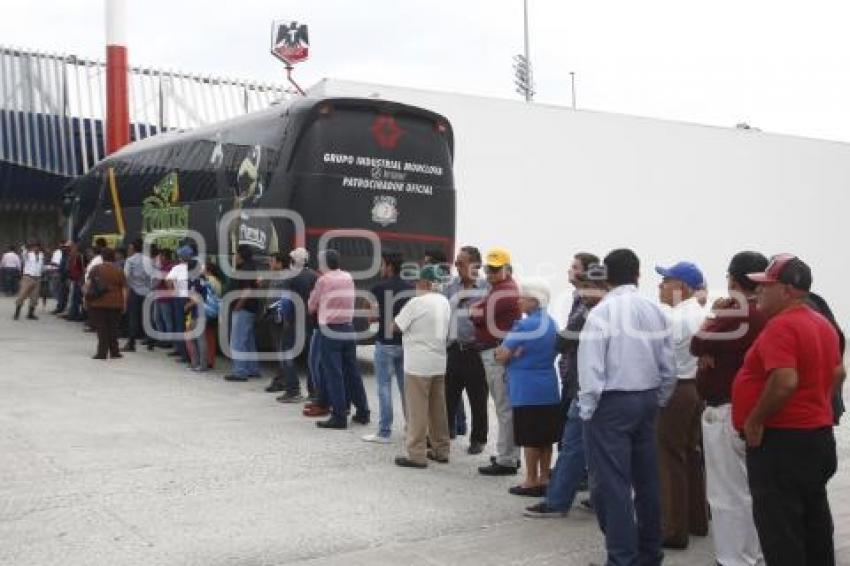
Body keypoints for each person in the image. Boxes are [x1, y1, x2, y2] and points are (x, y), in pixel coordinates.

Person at [732, 254, 842, 566]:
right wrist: (818, 402)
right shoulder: (822, 323)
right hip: (816, 437)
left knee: (781, 532)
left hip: (782, 442)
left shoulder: (782, 326)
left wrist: (755, 421)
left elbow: (784, 380)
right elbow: (838, 374)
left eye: (766, 286)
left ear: (787, 291)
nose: (758, 292)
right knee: (814, 522)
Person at [578, 248, 676, 566]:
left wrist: (588, 409)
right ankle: (650, 553)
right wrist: (658, 398)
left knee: (613, 485)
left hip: (611, 403)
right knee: (648, 481)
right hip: (647, 399)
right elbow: (668, 365)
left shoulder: (602, 313)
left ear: (605, 276)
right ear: (638, 274)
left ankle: (622, 558)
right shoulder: (656, 310)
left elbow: (591, 369)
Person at [690, 251, 769, 566]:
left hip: (726, 407)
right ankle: (754, 553)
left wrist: (713, 316)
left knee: (726, 492)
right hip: (753, 407)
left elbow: (697, 342)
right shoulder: (764, 312)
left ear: (734, 280)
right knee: (751, 488)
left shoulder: (737, 312)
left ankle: (733, 558)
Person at [525, 265, 608, 518]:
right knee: (597, 450)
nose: (582, 292)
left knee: (574, 447)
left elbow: (562, 341)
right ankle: (596, 499)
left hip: (588, 391)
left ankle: (559, 501)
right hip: (604, 391)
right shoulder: (622, 311)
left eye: (588, 286)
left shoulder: (588, 314)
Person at [655, 261, 710, 549]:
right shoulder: (698, 313)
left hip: (677, 389)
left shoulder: (677, 319)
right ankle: (697, 520)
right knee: (690, 454)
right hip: (694, 388)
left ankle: (674, 529)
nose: (660, 286)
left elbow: (662, 363)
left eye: (667, 281)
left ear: (683, 287)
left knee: (669, 459)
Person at [495, 278, 561, 496]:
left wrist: (511, 352)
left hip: (526, 387)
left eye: (523, 298)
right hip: (548, 387)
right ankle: (544, 478)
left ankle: (530, 480)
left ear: (535, 301)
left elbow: (501, 355)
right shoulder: (552, 323)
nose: (518, 301)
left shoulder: (524, 325)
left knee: (530, 437)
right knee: (545, 438)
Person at [393, 265, 452, 468]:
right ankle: (441, 449)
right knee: (438, 408)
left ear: (425, 283)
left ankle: (416, 454)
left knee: (417, 409)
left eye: (418, 281)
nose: (416, 284)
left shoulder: (416, 302)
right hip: (438, 361)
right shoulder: (444, 301)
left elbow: (396, 326)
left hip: (417, 363)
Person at [472, 247, 522, 476]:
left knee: (504, 407)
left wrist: (476, 312)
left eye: (494, 269)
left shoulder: (504, 292)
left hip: (496, 354)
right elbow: (475, 312)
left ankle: (508, 459)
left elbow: (477, 314)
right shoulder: (499, 288)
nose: (489, 273)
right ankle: (507, 453)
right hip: (493, 352)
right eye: (487, 268)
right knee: (503, 406)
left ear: (507, 269)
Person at [309, 249, 370, 429]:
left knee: (334, 373)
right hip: (348, 328)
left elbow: (312, 305)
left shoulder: (323, 280)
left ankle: (339, 416)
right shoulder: (348, 277)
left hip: (330, 330)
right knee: (352, 373)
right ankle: (363, 412)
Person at [363, 252, 414, 443]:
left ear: (390, 266)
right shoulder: (410, 288)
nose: (380, 268)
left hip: (384, 343)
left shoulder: (378, 288)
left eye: (382, 264)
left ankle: (384, 432)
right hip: (404, 344)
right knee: (405, 388)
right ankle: (411, 429)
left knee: (384, 387)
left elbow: (371, 315)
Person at [443, 246, 489, 454]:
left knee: (478, 398)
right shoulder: (450, 286)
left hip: (476, 352)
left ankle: (478, 439)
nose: (457, 266)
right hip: (454, 349)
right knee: (448, 397)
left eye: (462, 263)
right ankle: (443, 436)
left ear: (475, 266)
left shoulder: (488, 288)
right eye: (456, 263)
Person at [275, 247, 319, 403]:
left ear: (293, 261)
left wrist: (284, 319)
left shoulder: (290, 277)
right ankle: (314, 391)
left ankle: (293, 391)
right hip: (311, 322)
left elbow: (286, 302)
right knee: (311, 357)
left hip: (293, 322)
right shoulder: (315, 276)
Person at [224, 245, 261, 381]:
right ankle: (252, 369)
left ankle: (240, 371)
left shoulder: (245, 269)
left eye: (236, 254)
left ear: (240, 255)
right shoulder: (251, 268)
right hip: (250, 309)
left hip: (243, 309)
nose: (234, 257)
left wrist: (237, 306)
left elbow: (247, 291)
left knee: (237, 341)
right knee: (248, 341)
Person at [84, 247, 128, 360]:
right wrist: (124, 303)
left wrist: (85, 299)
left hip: (98, 302)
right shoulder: (119, 270)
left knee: (102, 328)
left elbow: (88, 285)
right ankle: (115, 351)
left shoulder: (96, 269)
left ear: (102, 257)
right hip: (116, 302)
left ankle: (102, 352)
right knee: (113, 327)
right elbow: (124, 289)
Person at [122, 238, 152, 352]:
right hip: (147, 291)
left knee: (133, 317)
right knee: (146, 317)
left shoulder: (130, 260)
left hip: (134, 290)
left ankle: (131, 343)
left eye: (130, 248)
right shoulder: (149, 260)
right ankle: (150, 341)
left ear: (133, 248)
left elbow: (126, 276)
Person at [166, 246, 193, 364]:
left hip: (179, 299)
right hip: (192, 299)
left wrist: (173, 291)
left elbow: (168, 280)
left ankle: (184, 355)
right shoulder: (197, 267)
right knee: (191, 326)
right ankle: (194, 355)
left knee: (180, 326)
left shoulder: (177, 268)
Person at [13, 242, 43, 321]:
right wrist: (24, 248)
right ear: (32, 248)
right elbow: (23, 254)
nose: (36, 249)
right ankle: (17, 312)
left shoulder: (41, 255)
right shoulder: (28, 255)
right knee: (22, 295)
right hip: (28, 277)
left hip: (37, 277)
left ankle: (30, 313)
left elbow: (41, 266)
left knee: (35, 297)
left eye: (38, 247)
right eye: (35, 247)